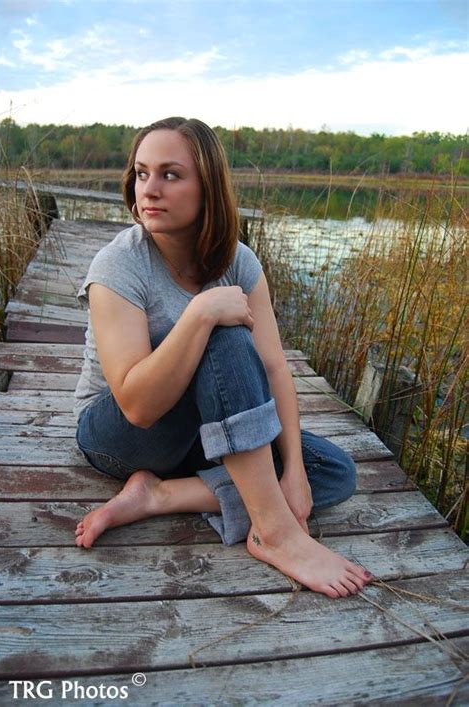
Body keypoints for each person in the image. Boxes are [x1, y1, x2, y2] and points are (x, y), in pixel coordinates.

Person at [73, 117, 372, 599]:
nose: (149, 189)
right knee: (226, 337)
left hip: (201, 433)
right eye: (142, 172)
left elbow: (275, 368)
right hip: (121, 434)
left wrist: (293, 469)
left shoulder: (239, 261)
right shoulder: (118, 264)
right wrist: (201, 313)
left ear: (208, 186)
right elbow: (136, 406)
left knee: (332, 470)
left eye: (171, 174)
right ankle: (274, 533)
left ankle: (159, 495)